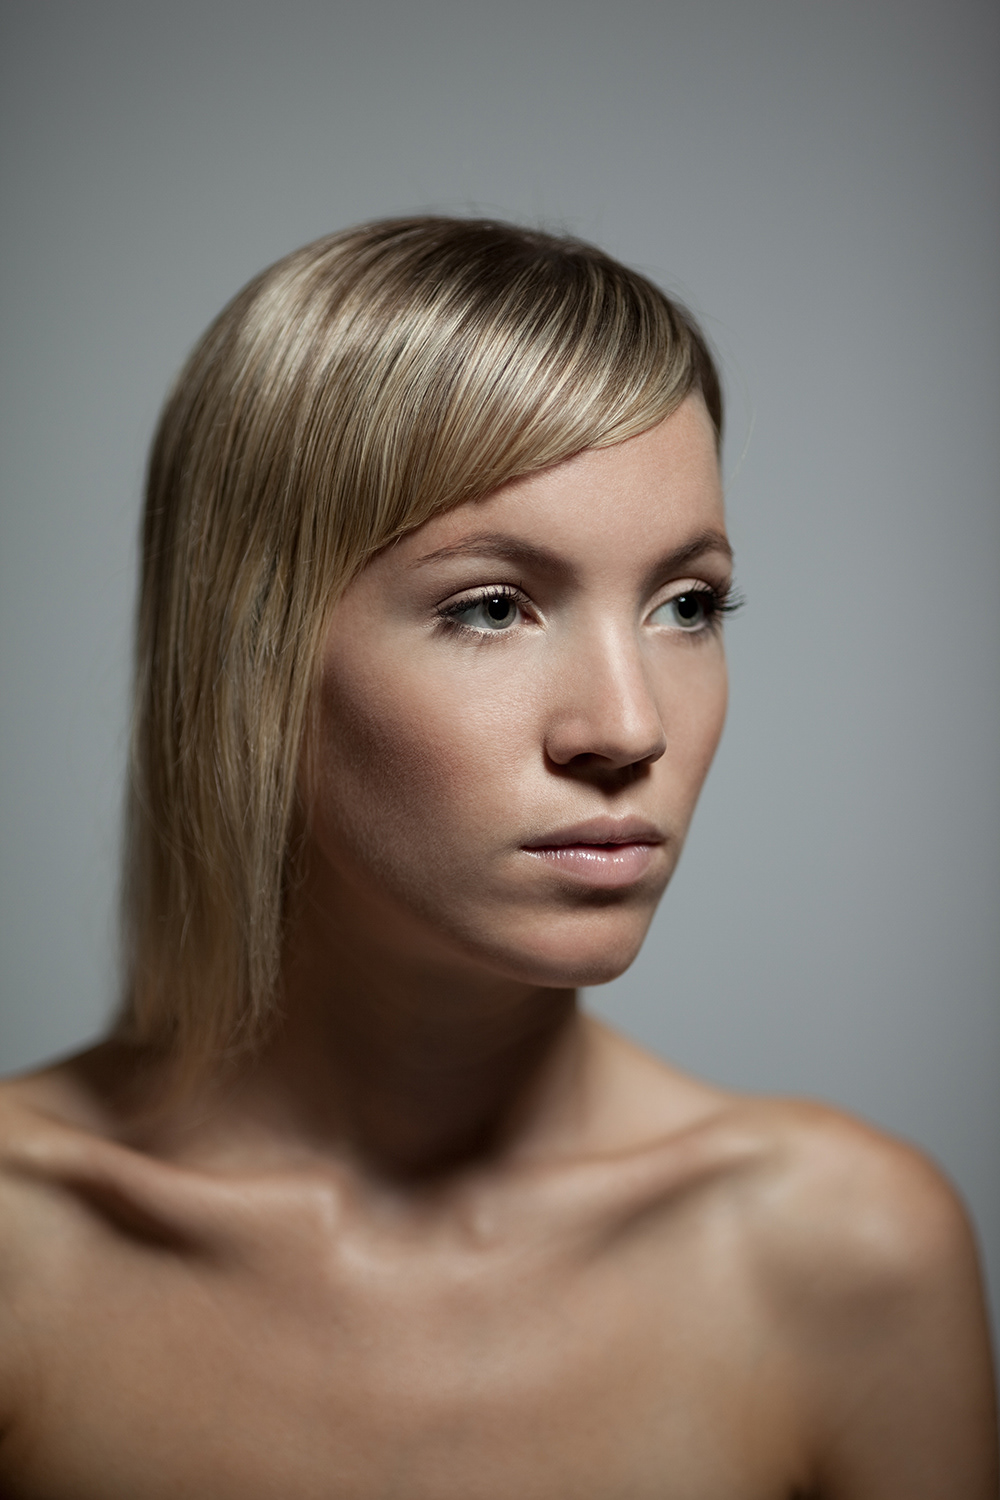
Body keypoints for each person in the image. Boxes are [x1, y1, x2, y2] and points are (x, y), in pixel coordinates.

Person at [0, 216, 995, 1497]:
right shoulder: (26, 1252)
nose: (628, 728)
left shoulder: (843, 1258)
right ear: (251, 650)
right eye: (491, 606)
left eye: (686, 604)